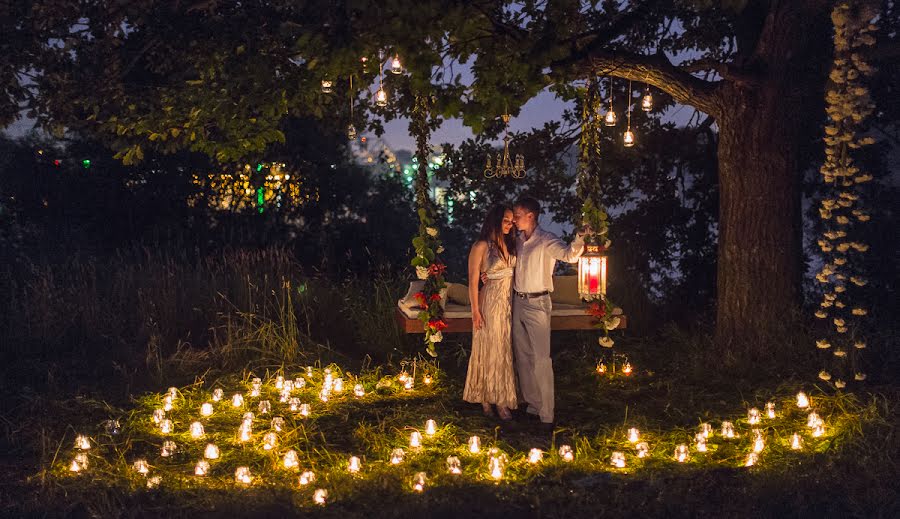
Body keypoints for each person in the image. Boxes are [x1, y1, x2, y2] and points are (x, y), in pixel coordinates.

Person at [511, 196, 585, 431]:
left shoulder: (546, 240)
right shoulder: (518, 241)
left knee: (541, 359)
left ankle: (547, 414)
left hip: (538, 302)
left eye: (518, 215)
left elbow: (570, 256)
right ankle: (533, 406)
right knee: (522, 356)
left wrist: (580, 238)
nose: (514, 220)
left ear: (531, 215)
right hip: (518, 302)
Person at [463, 204, 518, 420]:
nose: (510, 224)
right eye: (506, 220)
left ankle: (501, 398)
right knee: (489, 350)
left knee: (503, 351)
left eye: (512, 221)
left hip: (507, 304)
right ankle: (489, 401)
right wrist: (475, 311)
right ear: (494, 220)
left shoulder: (510, 244)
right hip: (489, 304)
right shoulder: (481, 246)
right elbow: (472, 281)